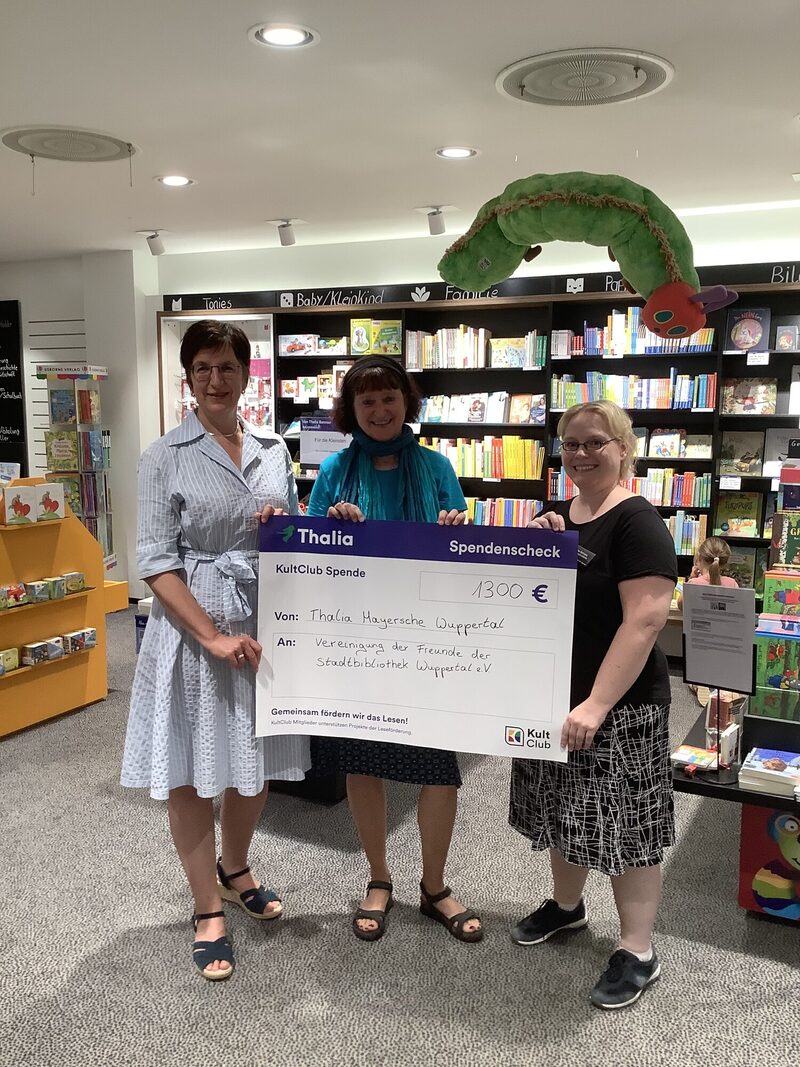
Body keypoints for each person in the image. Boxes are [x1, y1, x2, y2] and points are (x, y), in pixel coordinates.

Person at [121, 319, 310, 981]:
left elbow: (284, 535)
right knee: (191, 768)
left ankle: (236, 866)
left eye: (227, 367)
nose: (215, 379)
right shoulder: (164, 454)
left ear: (245, 374)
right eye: (202, 367)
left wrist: (291, 527)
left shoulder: (272, 446)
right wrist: (210, 634)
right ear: (187, 376)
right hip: (194, 626)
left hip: (260, 619)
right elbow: (154, 560)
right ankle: (207, 906)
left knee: (251, 760)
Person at [307, 355, 482, 944]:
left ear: (408, 403)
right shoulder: (334, 469)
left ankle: (435, 885)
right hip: (357, 639)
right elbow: (306, 554)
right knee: (364, 761)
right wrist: (333, 524)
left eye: (389, 399)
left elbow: (464, 554)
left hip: (429, 640)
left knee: (439, 769)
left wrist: (457, 526)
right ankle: (378, 877)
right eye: (366, 402)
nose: (379, 411)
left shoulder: (436, 466)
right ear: (350, 410)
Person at [509, 399, 677, 1010]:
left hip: (619, 706)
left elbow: (647, 620)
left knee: (624, 826)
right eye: (571, 443)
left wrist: (597, 705)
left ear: (623, 448)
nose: (580, 454)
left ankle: (638, 949)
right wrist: (539, 548)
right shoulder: (566, 514)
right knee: (562, 809)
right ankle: (568, 906)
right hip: (558, 695)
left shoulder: (636, 520)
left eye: (595, 443)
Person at [679, 536, 738, 704]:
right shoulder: (732, 583)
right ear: (725, 561)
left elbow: (682, 605)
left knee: (697, 668)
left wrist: (690, 578)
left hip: (699, 641)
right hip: (725, 643)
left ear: (698, 559)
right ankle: (722, 686)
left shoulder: (694, 584)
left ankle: (699, 684)